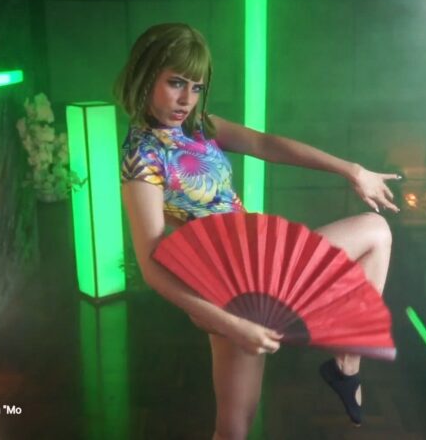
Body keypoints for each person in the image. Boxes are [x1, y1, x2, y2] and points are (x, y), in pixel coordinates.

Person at [116, 22, 400, 440]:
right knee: (234, 428)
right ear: (146, 75)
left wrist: (351, 170)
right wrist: (234, 326)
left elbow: (266, 145)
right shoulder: (142, 157)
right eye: (175, 83)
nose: (186, 99)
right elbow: (152, 267)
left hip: (262, 262)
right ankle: (340, 360)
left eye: (196, 87)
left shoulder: (199, 126)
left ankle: (346, 363)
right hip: (226, 290)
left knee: (375, 231)